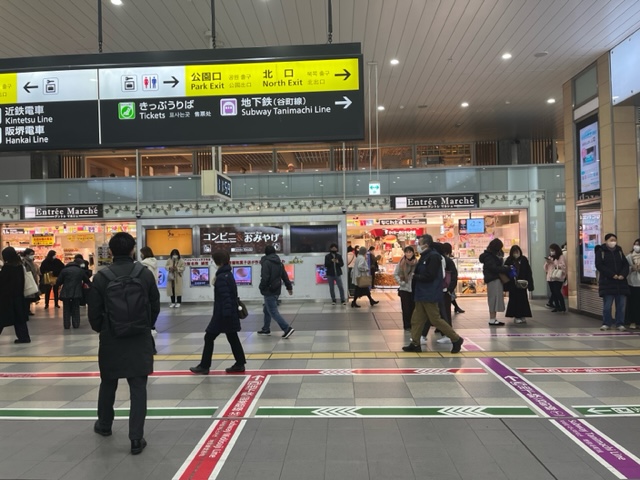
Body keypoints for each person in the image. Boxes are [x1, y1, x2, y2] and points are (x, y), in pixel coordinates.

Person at [88, 232, 160, 455]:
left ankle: (105, 425)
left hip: (112, 338)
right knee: (138, 386)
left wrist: (106, 328)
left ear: (110, 251)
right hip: (139, 337)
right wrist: (145, 325)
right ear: (133, 250)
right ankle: (136, 438)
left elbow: (93, 316)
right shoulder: (144, 274)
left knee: (108, 381)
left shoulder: (101, 277)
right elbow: (155, 306)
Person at [402, 235, 463, 353]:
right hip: (422, 293)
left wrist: (416, 276)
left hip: (429, 293)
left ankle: (456, 339)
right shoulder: (425, 256)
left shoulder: (433, 257)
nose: (418, 246)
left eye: (419, 243)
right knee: (416, 319)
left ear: (426, 244)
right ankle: (415, 343)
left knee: (435, 319)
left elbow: (431, 275)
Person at [190, 250, 246, 375]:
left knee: (209, 337)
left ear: (218, 262)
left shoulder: (221, 277)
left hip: (222, 315)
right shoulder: (228, 274)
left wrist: (225, 315)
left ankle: (204, 366)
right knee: (233, 338)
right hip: (229, 314)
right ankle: (240, 363)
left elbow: (226, 298)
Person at [257, 245, 295, 338]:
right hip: (277, 289)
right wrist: (289, 287)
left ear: (265, 253)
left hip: (268, 290)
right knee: (266, 310)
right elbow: (284, 276)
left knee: (273, 311)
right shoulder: (279, 262)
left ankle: (287, 328)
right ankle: (266, 329)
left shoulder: (266, 262)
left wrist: (261, 287)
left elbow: (265, 277)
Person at [595, 233, 629, 331]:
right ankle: (606, 323)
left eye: (614, 240)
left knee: (621, 305)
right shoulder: (601, 251)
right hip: (607, 283)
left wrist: (623, 274)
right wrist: (612, 274)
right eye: (611, 240)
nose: (613, 242)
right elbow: (599, 265)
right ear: (606, 241)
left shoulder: (619, 251)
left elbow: (625, 264)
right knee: (607, 306)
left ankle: (620, 323)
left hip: (620, 283)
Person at [428, 242, 459, 344]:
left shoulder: (444, 260)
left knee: (444, 313)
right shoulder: (438, 259)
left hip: (443, 291)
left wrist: (449, 289)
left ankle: (448, 334)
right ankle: (424, 335)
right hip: (439, 290)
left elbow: (453, 276)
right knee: (437, 313)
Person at [0, 247, 31, 343]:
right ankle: (24, 337)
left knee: (2, 317)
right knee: (19, 318)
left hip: (6, 297)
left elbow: (2, 282)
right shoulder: (19, 266)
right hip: (18, 296)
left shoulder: (7, 268)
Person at [56, 254, 92, 329]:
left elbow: (59, 281)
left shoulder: (64, 270)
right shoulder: (80, 271)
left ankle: (66, 325)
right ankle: (76, 324)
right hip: (77, 292)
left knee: (66, 309)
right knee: (76, 308)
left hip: (65, 292)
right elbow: (87, 280)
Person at [479, 238, 510, 326]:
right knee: (494, 298)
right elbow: (494, 268)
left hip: (493, 279)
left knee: (494, 298)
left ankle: (493, 318)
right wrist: (506, 269)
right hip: (494, 279)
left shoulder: (489, 255)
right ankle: (492, 319)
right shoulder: (490, 256)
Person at [504, 245, 535, 324]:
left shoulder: (524, 260)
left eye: (517, 252)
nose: (516, 254)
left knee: (523, 300)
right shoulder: (509, 260)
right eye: (514, 252)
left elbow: (528, 272)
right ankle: (516, 316)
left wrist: (530, 284)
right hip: (513, 284)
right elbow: (505, 272)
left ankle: (523, 315)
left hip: (522, 284)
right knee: (514, 300)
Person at [394, 246, 417, 331]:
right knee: (406, 308)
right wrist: (401, 282)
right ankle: (407, 325)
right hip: (404, 289)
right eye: (406, 252)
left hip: (414, 288)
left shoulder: (417, 262)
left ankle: (413, 324)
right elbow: (395, 274)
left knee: (414, 308)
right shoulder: (401, 262)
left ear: (413, 252)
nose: (408, 254)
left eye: (410, 252)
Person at [544, 243, 567, 313]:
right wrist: (548, 262)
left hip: (558, 277)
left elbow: (563, 266)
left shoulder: (561, 256)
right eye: (551, 250)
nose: (551, 252)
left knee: (557, 292)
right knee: (553, 292)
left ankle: (563, 307)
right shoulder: (550, 257)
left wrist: (553, 263)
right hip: (550, 277)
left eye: (553, 250)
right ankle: (557, 306)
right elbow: (545, 268)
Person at [625, 238, 640, 329]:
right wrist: (632, 268)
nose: (636, 246)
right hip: (632, 283)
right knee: (633, 303)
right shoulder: (629, 257)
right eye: (635, 244)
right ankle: (633, 321)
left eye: (638, 244)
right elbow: (625, 269)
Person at [21, 248, 40, 316]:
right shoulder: (24, 262)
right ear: (26, 255)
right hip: (27, 281)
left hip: (32, 281)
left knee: (29, 297)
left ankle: (27, 310)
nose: (32, 256)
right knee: (27, 297)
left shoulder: (32, 262)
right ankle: (26, 310)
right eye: (31, 254)